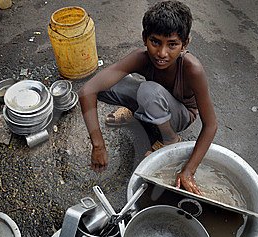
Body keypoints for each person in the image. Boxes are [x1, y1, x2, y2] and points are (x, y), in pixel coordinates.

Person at [78, 1, 217, 195]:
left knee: (148, 91)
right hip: (154, 99)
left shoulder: (192, 69)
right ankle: (139, 112)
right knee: (105, 85)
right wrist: (98, 145)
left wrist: (188, 171)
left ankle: (169, 138)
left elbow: (211, 125)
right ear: (145, 38)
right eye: (155, 42)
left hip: (181, 115)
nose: (161, 53)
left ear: (185, 44)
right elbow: (87, 91)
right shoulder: (141, 57)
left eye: (173, 45)